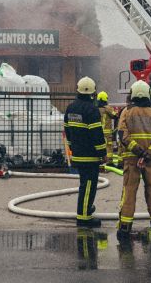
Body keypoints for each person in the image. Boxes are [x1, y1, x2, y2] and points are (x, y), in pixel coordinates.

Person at [116, 80, 151, 239]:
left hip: (132, 159)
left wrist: (137, 151)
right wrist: (148, 153)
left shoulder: (126, 112)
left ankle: (124, 227)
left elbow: (122, 135)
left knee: (129, 191)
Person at [64, 76, 107, 227]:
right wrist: (103, 153)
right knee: (88, 185)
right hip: (90, 156)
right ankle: (83, 217)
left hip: (77, 153)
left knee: (84, 184)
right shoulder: (92, 110)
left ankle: (86, 208)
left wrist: (72, 148)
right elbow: (97, 134)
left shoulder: (70, 108)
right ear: (92, 93)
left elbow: (67, 131)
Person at [97, 91, 118, 167]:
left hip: (97, 131)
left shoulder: (96, 109)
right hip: (106, 132)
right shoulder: (107, 108)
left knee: (99, 145)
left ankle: (100, 160)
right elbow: (115, 115)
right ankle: (109, 162)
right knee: (108, 146)